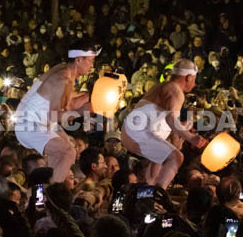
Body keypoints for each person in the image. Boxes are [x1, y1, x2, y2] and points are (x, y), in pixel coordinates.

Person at [13, 45, 100, 184]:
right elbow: (55, 116)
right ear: (78, 60)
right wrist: (80, 112)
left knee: (65, 151)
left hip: (44, 124)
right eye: (90, 60)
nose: (92, 65)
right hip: (30, 125)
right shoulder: (62, 79)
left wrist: (92, 96)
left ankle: (46, 190)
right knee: (68, 152)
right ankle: (53, 194)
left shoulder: (65, 72)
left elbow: (68, 103)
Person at [121, 59, 208, 189]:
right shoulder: (175, 90)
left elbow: (169, 123)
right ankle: (158, 195)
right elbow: (170, 119)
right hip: (138, 132)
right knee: (177, 157)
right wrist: (191, 138)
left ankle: (149, 196)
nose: (194, 84)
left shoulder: (162, 87)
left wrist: (187, 124)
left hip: (131, 132)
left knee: (158, 164)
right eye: (194, 79)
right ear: (189, 77)